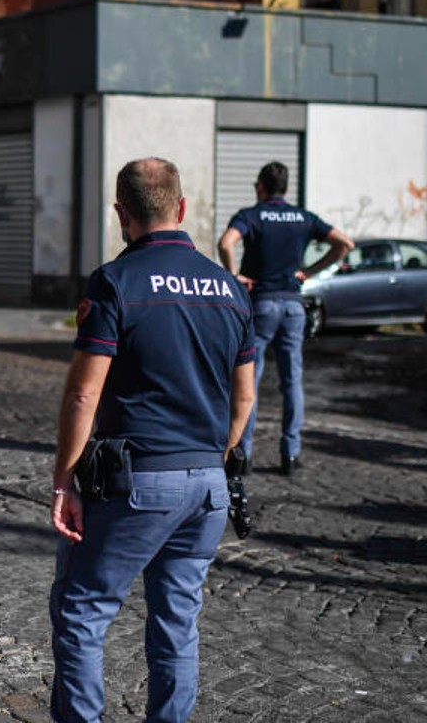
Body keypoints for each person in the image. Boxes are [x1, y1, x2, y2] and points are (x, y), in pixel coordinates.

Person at [49, 157, 256, 723]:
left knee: (84, 611)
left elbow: (83, 396)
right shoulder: (229, 290)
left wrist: (64, 478)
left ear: (122, 213)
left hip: (136, 482)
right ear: (181, 208)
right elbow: (244, 397)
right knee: (177, 624)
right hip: (208, 485)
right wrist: (217, 455)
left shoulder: (115, 282)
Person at [218, 161, 353, 475]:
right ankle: (290, 454)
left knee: (249, 382)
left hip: (261, 305)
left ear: (261, 187)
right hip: (293, 306)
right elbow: (345, 244)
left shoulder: (251, 215)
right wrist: (310, 272)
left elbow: (226, 243)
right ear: (285, 187)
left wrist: (234, 275)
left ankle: (244, 454)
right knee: (292, 382)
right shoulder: (303, 217)